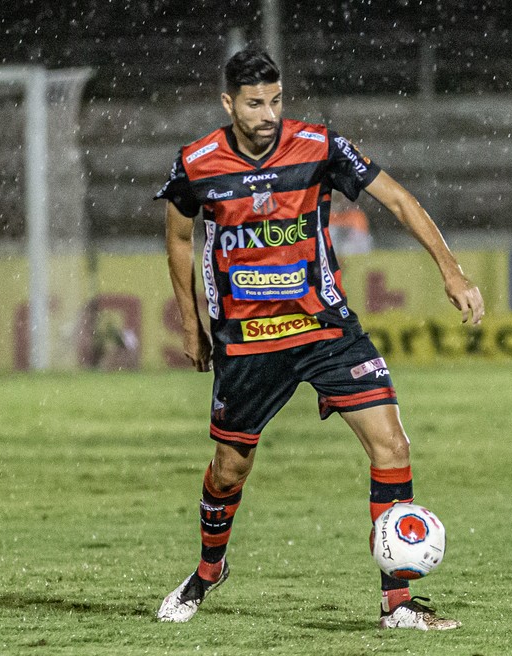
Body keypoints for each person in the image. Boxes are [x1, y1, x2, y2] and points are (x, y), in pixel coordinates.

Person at [154, 49, 484, 631]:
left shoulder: (320, 146)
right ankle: (208, 571)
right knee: (229, 470)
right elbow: (180, 237)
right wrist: (192, 324)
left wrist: (450, 270)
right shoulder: (197, 164)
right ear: (228, 103)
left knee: (393, 448)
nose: (267, 114)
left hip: (326, 329)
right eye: (254, 103)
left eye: (276, 100)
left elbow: (400, 201)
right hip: (249, 342)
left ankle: (398, 605)